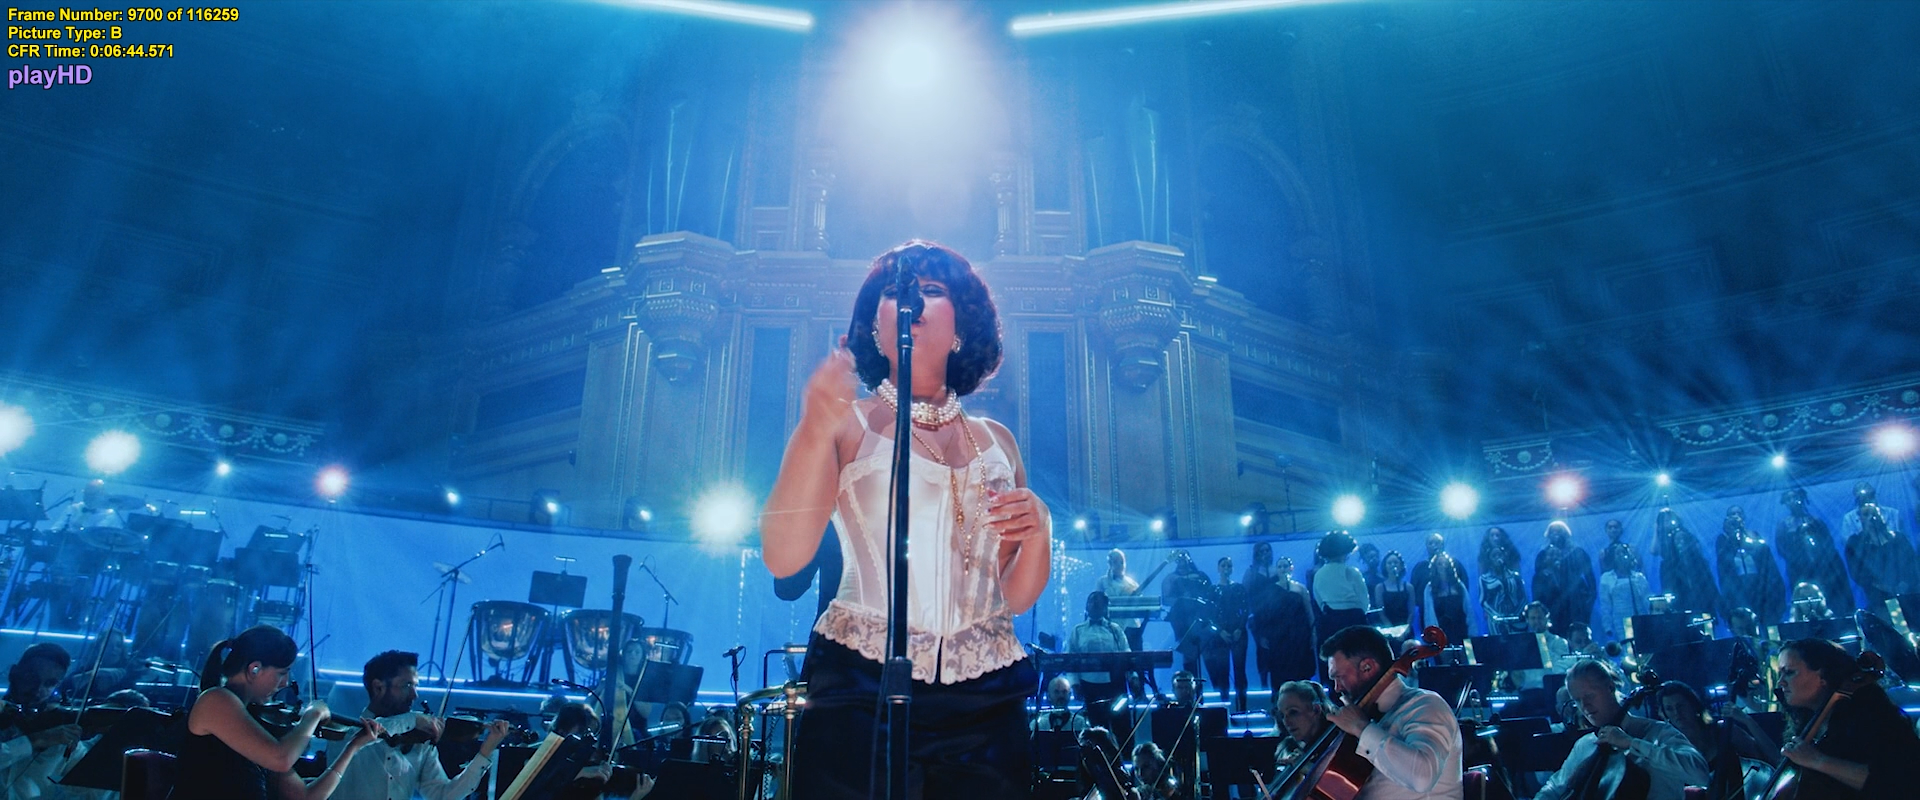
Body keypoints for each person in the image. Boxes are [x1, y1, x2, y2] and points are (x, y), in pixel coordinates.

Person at [761, 241, 1047, 798]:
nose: (912, 300)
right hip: (860, 689)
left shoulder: (998, 442)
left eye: (932, 290)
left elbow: (1013, 596)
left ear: (962, 324)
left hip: (986, 697)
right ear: (875, 327)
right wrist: (813, 427)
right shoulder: (845, 424)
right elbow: (783, 556)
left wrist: (1041, 532)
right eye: (894, 293)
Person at [169, 625, 382, 800]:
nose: (285, 683)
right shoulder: (215, 700)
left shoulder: (255, 720)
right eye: (282, 673)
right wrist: (313, 715)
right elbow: (281, 758)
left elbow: (304, 797)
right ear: (254, 669)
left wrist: (352, 747)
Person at [326, 650, 509, 800]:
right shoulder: (345, 733)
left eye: (415, 686)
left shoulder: (419, 741)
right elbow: (372, 730)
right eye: (406, 685)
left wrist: (485, 752)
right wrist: (413, 719)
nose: (415, 695)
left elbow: (443, 796)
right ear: (378, 687)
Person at [1318, 625, 1462, 800]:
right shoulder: (1370, 716)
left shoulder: (1425, 705)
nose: (1337, 688)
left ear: (1367, 667)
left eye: (1339, 677)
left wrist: (1362, 728)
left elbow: (1422, 777)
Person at [1533, 659, 1707, 800]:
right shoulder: (1586, 744)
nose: (1584, 706)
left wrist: (1632, 743)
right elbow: (1555, 786)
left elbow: (1700, 774)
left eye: (1590, 696)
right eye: (1577, 700)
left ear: (1610, 688)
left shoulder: (1657, 732)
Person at [1773, 637, 1920, 799]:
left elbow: (1899, 781)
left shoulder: (1871, 719)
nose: (1780, 682)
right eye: (1780, 674)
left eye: (1789, 672)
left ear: (1823, 676)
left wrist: (1818, 760)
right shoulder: (1806, 724)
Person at [1655, 680, 1778, 799]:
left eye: (1680, 706)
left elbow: (1770, 755)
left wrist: (1747, 720)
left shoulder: (1722, 731)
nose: (1677, 713)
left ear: (1693, 705)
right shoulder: (1671, 746)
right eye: (1669, 709)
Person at [0, 643, 82, 799]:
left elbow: (89, 788)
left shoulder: (57, 730)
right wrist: (36, 740)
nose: (38, 689)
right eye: (31, 678)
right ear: (13, 673)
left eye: (50, 683)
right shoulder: (50, 734)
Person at [1776, 488, 1855, 614]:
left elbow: (1828, 543)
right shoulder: (1784, 525)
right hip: (1800, 572)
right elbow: (1781, 549)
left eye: (1795, 497)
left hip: (1824, 570)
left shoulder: (1815, 521)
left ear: (1802, 498)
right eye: (1788, 499)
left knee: (1831, 601)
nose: (1792, 501)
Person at [1844, 503, 1920, 619]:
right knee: (1898, 623)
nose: (1872, 517)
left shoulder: (1898, 538)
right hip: (1881, 599)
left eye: (1874, 513)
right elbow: (1857, 572)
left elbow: (1911, 563)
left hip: (1908, 594)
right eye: (1866, 514)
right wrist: (1882, 587)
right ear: (1860, 519)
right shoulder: (1856, 543)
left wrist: (1905, 583)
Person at [1251, 553, 1315, 688]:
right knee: (1280, 672)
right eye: (1279, 566)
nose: (1282, 569)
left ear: (1291, 568)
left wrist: (1313, 633)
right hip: (1278, 636)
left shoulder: (1301, 589)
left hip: (1299, 635)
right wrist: (1262, 635)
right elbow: (1263, 615)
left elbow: (1309, 611)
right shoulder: (1270, 590)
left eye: (1285, 566)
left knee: (1301, 671)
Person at [1068, 591, 1129, 728]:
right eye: (1092, 601)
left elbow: (1126, 654)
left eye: (1099, 602)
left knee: (1121, 724)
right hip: (1089, 684)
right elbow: (1070, 659)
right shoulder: (1078, 630)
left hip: (1115, 683)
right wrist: (1074, 684)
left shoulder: (1115, 629)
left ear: (1106, 607)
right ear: (1086, 606)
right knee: (1094, 726)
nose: (1095, 604)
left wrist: (1133, 677)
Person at [1717, 505, 1788, 623]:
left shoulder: (1753, 535)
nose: (1736, 517)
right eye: (1732, 514)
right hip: (1739, 589)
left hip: (1758, 586)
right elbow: (1723, 562)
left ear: (1744, 516)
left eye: (1739, 513)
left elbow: (1764, 556)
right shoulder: (1723, 539)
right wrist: (1730, 534)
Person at [1533, 521, 1596, 637]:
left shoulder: (1578, 552)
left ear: (1566, 533)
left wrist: (1588, 604)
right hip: (1552, 604)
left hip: (1575, 602)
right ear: (1548, 534)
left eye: (1559, 531)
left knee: (1578, 634)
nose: (1556, 534)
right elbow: (1537, 582)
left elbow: (1591, 580)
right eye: (1553, 531)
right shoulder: (1543, 555)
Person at [1161, 551, 1217, 675]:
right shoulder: (1171, 578)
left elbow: (1210, 595)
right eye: (1179, 558)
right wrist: (1182, 600)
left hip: (1201, 617)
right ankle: (1192, 683)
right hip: (1182, 619)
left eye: (1184, 557)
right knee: (1189, 651)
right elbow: (1165, 599)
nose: (1182, 559)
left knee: (1208, 649)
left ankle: (1215, 683)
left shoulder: (1201, 576)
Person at [1655, 507, 1718, 616]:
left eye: (1683, 540)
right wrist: (1657, 530)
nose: (1680, 544)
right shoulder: (1667, 563)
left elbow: (1709, 584)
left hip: (1700, 597)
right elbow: (1654, 550)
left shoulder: (1699, 561)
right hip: (1680, 599)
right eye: (1678, 541)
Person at [1312, 532, 1369, 652]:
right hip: (1355, 620)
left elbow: (1319, 600)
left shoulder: (1319, 574)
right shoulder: (1352, 572)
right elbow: (1364, 601)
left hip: (1330, 621)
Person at [1210, 556, 1250, 711]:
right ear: (1218, 568)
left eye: (1229, 565)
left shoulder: (1239, 588)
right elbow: (1210, 615)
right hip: (1221, 635)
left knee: (1240, 670)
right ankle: (1224, 707)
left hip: (1238, 632)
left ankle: (1242, 707)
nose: (1226, 568)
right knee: (1223, 671)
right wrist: (1220, 631)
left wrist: (1239, 628)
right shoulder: (1213, 590)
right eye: (1223, 565)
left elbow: (1245, 610)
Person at [1269, 680, 1335, 772]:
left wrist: (1308, 768)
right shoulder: (1288, 748)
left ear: (1316, 710)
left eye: (1293, 712)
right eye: (1282, 715)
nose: (1286, 722)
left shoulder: (1336, 745)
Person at [1596, 542, 1651, 644]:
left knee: (1644, 646)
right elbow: (1605, 604)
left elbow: (1647, 600)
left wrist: (1652, 618)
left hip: (1640, 618)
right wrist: (1608, 626)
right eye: (1618, 553)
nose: (1621, 555)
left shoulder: (1638, 577)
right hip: (1621, 620)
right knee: (1629, 648)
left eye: (1624, 552)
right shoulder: (1607, 578)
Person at [1510, 602, 1571, 691]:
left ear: (1547, 618)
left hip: (1550, 689)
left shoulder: (1559, 642)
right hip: (1527, 690)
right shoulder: (1521, 644)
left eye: (1540, 618)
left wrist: (1540, 643)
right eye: (1533, 618)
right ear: (1527, 620)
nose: (1537, 621)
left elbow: (1560, 668)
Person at [1098, 549, 1147, 652]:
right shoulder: (1102, 581)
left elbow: (1140, 604)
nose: (1120, 565)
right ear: (1109, 563)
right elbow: (1098, 602)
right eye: (1115, 562)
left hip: (1131, 626)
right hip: (1111, 628)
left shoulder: (1132, 583)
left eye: (1122, 562)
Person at [1420, 552, 1470, 646]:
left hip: (1461, 627)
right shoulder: (1430, 588)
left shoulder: (1459, 585)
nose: (1443, 566)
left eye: (1445, 563)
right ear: (1435, 567)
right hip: (1441, 631)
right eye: (1439, 564)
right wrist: (1432, 634)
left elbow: (1468, 608)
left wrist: (1472, 631)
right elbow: (1428, 613)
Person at [1479, 543, 1528, 635]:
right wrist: (1495, 615)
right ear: (1489, 559)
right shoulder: (1484, 579)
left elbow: (1523, 597)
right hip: (1496, 622)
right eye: (1494, 555)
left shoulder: (1515, 576)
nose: (1497, 558)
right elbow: (1483, 601)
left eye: (1499, 554)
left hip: (1517, 618)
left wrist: (1519, 613)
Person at [1372, 551, 1414, 629]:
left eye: (1395, 562)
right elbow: (1381, 612)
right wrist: (1391, 629)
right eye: (1389, 563)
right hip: (1388, 628)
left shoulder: (1409, 587)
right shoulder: (1380, 588)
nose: (1393, 565)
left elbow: (1411, 611)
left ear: (1401, 565)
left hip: (1405, 627)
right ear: (1385, 566)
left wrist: (1407, 628)